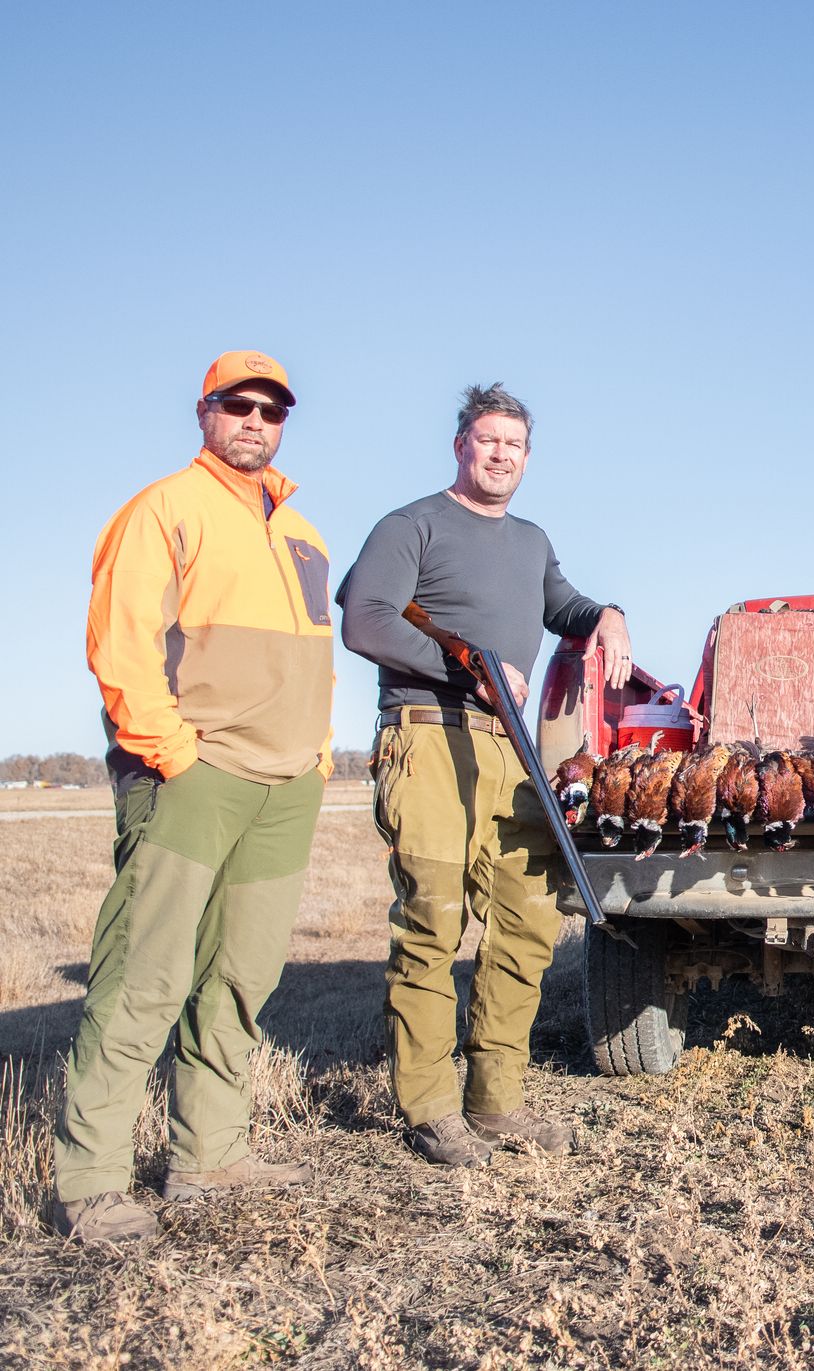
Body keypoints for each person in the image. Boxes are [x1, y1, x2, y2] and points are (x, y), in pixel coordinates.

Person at [54, 351, 333, 1243]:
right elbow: (121, 643)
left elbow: (313, 659)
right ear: (205, 411)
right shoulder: (162, 509)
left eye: (272, 409)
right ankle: (90, 1180)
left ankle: (208, 1153)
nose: (256, 420)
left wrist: (318, 753)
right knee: (145, 975)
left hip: (286, 785)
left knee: (241, 978)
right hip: (195, 774)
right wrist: (171, 751)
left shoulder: (305, 534)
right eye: (238, 405)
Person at [337, 383, 629, 1167]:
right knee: (433, 923)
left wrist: (608, 613)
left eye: (516, 445)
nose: (501, 455)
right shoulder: (412, 525)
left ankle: (496, 1099)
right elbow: (364, 618)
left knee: (530, 918)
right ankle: (431, 1108)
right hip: (427, 737)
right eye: (488, 439)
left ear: (527, 458)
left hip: (509, 748)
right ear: (461, 445)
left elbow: (562, 604)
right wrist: (467, 668)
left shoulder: (531, 541)